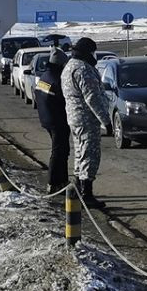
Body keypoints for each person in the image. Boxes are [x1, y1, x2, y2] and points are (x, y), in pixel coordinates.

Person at [62, 37, 110, 209]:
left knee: (80, 153)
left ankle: (77, 189)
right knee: (89, 154)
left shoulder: (69, 67)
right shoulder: (82, 69)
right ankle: (86, 194)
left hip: (75, 118)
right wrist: (106, 121)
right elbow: (93, 98)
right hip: (86, 119)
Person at [35, 47, 70, 194]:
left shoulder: (44, 77)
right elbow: (65, 101)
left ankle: (61, 181)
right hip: (57, 121)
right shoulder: (57, 80)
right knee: (59, 152)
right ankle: (53, 182)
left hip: (47, 119)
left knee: (62, 150)